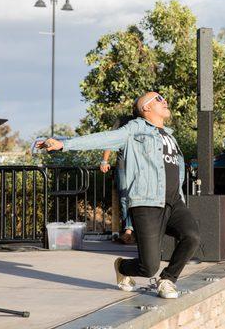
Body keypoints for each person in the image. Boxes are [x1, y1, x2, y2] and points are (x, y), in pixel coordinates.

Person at [40, 91, 200, 299]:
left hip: (173, 201)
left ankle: (168, 279)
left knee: (192, 236)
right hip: (147, 202)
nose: (165, 100)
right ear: (146, 108)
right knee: (148, 267)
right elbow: (104, 138)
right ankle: (123, 267)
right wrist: (64, 144)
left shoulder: (170, 135)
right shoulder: (135, 129)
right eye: (158, 99)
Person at [99, 115, 135, 244]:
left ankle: (136, 232)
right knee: (125, 199)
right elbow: (110, 140)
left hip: (140, 167)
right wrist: (104, 161)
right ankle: (128, 231)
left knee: (138, 198)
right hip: (123, 166)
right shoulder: (122, 121)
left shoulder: (147, 122)